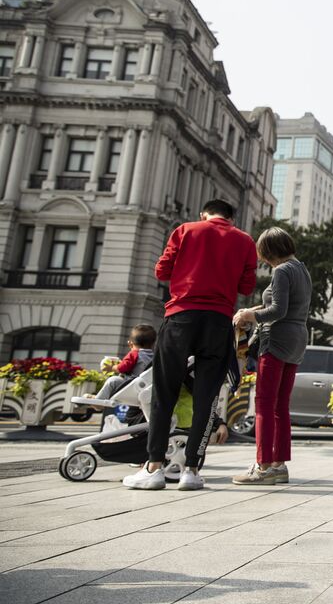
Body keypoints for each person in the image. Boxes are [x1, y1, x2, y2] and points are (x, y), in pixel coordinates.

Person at [124, 199, 258, 491]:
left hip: (180, 318)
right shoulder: (245, 241)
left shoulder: (186, 230)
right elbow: (247, 287)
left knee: (164, 392)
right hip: (218, 322)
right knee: (206, 397)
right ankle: (192, 470)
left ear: (203, 213)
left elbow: (162, 271)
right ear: (231, 218)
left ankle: (155, 467)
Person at [231, 226, 312, 485]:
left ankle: (263, 466)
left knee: (264, 403)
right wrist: (255, 309)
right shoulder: (301, 268)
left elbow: (278, 310)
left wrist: (248, 316)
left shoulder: (281, 271)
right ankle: (279, 464)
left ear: (267, 252)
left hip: (276, 340)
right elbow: (288, 307)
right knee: (280, 406)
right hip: (297, 338)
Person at [95, 324, 157, 401]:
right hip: (147, 387)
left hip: (131, 386)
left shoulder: (134, 353)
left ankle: (98, 401)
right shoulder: (155, 357)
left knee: (112, 381)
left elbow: (122, 368)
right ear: (153, 344)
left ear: (130, 344)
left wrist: (111, 368)